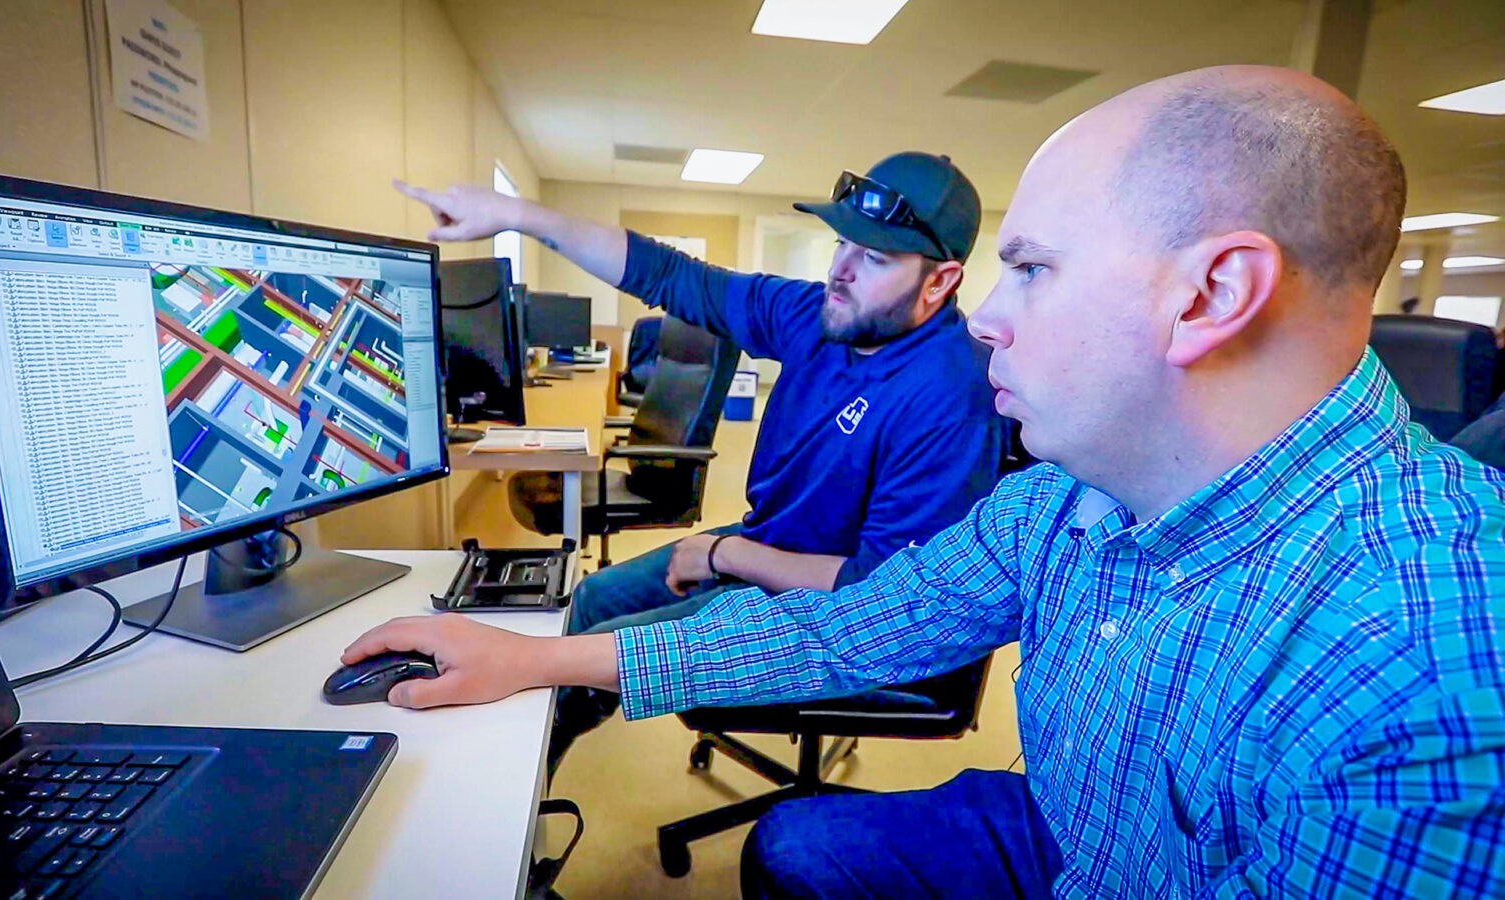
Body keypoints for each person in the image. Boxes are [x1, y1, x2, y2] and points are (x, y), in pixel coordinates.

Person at [349, 64, 1505, 897]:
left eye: (1033, 271)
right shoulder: (1069, 495)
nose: (991, 323)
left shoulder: (1427, 662)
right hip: (1079, 830)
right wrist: (535, 657)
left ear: (1210, 296)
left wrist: (719, 560)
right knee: (794, 849)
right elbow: (855, 630)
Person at [395, 152, 1006, 774]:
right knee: (595, 599)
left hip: (834, 613)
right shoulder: (820, 318)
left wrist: (723, 554)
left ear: (940, 281)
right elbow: (671, 276)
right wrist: (516, 216)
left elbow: (876, 594)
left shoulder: (950, 398)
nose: (840, 272)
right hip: (768, 545)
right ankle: (527, 776)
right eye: (842, 244)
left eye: (874, 259)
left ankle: (505, 796)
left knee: (609, 648)